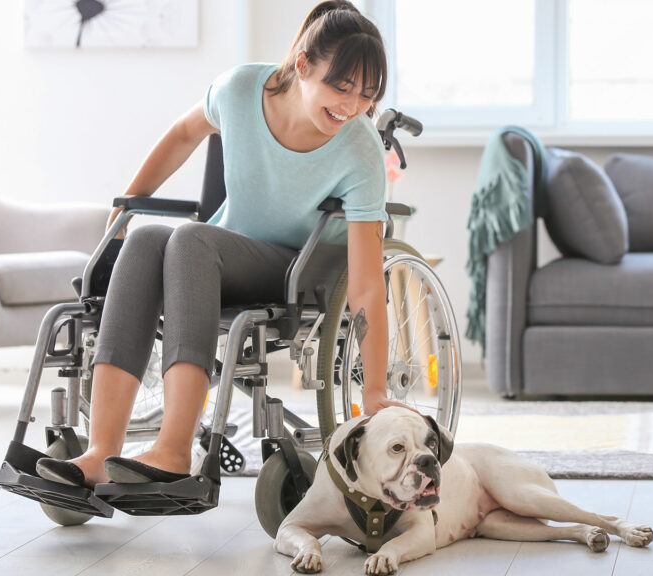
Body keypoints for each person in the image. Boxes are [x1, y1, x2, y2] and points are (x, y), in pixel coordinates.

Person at [36, 0, 408, 489]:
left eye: (366, 94)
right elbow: (183, 132)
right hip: (226, 251)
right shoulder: (239, 90)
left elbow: (363, 285)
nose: (352, 106)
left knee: (190, 238)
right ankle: (102, 450)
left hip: (302, 266)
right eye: (341, 86)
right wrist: (129, 202)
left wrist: (376, 388)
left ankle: (174, 450)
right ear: (302, 65)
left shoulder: (358, 147)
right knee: (147, 236)